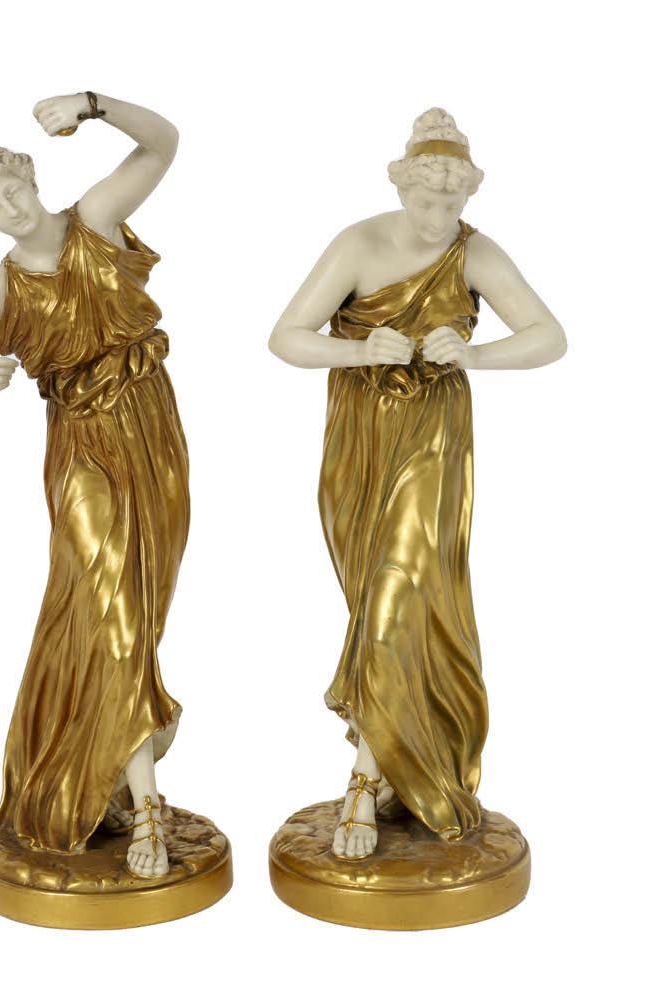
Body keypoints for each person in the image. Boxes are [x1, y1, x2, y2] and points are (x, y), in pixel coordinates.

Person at [269, 108, 566, 860]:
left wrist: (475, 356)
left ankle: (364, 782)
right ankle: (405, 758)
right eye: (427, 201)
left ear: (469, 196)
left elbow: (549, 336)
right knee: (373, 597)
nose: (439, 218)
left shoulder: (475, 252)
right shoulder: (359, 244)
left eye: (452, 203)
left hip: (433, 437)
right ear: (401, 189)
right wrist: (360, 351)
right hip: (359, 439)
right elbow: (286, 338)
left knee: (399, 597)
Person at [0, 92, 189, 878]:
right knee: (107, 603)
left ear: (30, 177)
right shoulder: (2, 285)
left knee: (141, 602)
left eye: (10, 189)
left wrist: (94, 104)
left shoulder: (96, 221)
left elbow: (163, 144)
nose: (8, 208)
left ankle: (106, 773)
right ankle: (146, 808)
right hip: (80, 444)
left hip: (151, 427)